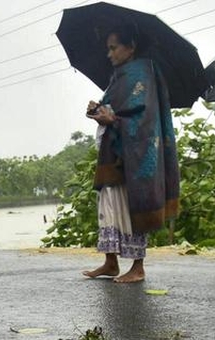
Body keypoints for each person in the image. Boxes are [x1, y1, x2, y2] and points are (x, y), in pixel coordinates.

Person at [81, 25, 180, 284]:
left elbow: (144, 117)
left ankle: (138, 266)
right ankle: (110, 262)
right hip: (114, 150)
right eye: (108, 49)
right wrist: (99, 110)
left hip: (136, 151)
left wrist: (112, 119)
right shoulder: (119, 76)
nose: (109, 54)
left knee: (131, 204)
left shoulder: (143, 72)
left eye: (113, 48)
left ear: (131, 46)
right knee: (110, 203)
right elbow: (116, 108)